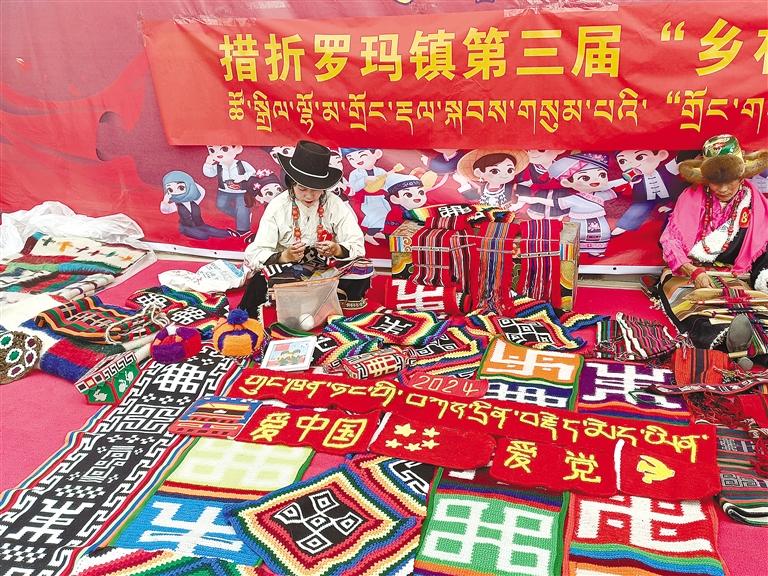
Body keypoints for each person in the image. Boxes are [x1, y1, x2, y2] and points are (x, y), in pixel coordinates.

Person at [658, 135, 768, 367]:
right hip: (688, 271)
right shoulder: (691, 197)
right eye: (716, 181)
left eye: (731, 180)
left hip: (737, 272)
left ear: (742, 175)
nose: (724, 188)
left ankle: (753, 347)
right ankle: (730, 345)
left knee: (753, 308)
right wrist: (694, 271)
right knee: (699, 310)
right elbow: (670, 241)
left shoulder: (753, 200)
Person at [239, 140, 368, 317]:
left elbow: (357, 244)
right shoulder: (278, 206)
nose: (309, 195)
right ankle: (310, 307)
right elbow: (257, 252)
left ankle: (319, 306)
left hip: (325, 268)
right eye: (302, 188)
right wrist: (285, 256)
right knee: (262, 280)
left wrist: (337, 249)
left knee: (362, 267)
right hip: (288, 268)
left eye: (316, 189)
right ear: (292, 184)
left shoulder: (334, 203)